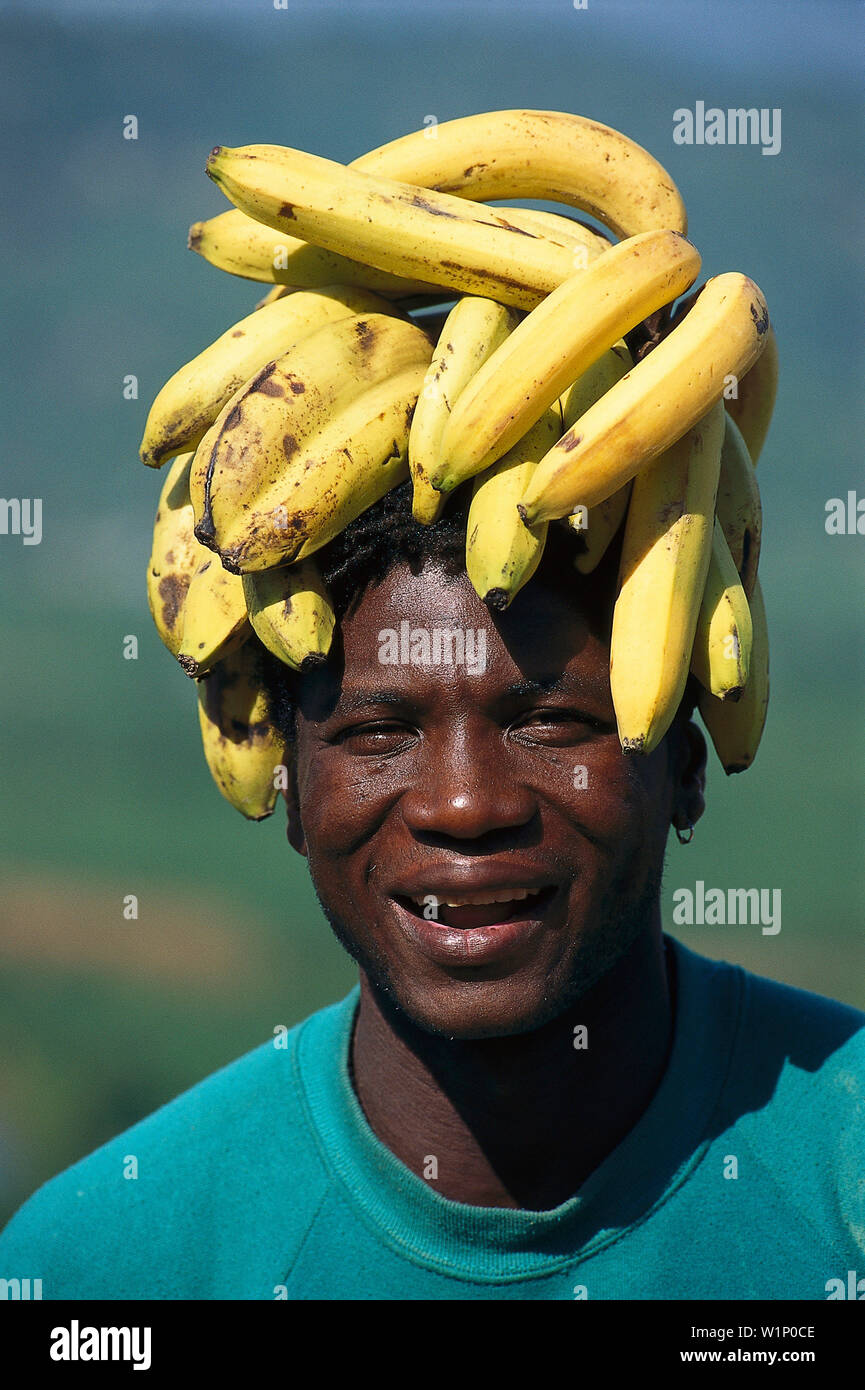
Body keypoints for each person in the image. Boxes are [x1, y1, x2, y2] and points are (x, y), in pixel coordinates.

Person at [1, 480, 862, 1301]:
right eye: (378, 733)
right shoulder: (102, 1261)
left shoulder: (841, 1173)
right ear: (292, 790)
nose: (465, 805)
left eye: (550, 722)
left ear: (684, 765)